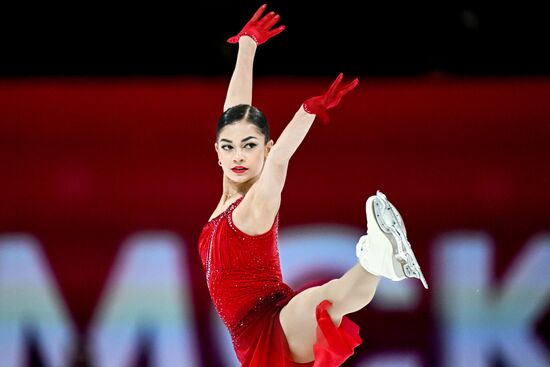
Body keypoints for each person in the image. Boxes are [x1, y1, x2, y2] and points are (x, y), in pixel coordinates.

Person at [197, 4, 428, 366]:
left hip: (277, 320)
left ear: (265, 148)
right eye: (228, 148)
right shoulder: (227, 196)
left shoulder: (257, 204)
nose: (238, 156)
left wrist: (305, 113)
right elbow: (234, 116)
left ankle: (377, 259)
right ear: (218, 153)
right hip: (249, 343)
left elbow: (279, 161)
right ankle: (376, 260)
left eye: (249, 147)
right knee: (323, 300)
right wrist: (246, 45)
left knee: (323, 300)